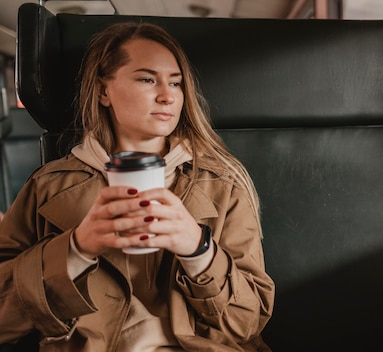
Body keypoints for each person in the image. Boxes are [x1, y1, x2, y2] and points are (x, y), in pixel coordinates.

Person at [0, 22, 274, 351]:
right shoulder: (46, 186)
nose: (168, 95)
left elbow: (247, 323)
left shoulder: (224, 183)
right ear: (103, 91)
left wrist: (198, 248)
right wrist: (75, 249)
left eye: (175, 82)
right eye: (147, 79)